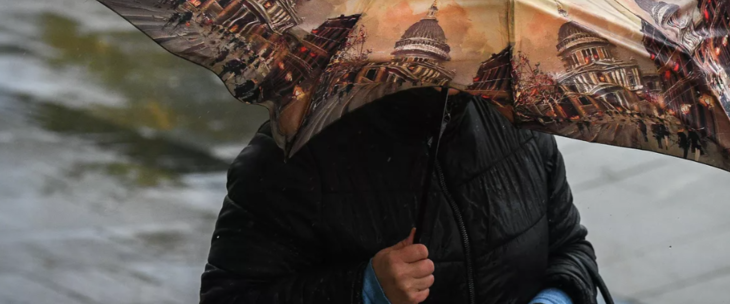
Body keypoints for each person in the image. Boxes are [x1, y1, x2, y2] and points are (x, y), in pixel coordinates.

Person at [200, 88, 602, 304]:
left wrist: (555, 298)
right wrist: (363, 290)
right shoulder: (288, 160)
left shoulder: (513, 118)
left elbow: (570, 247)